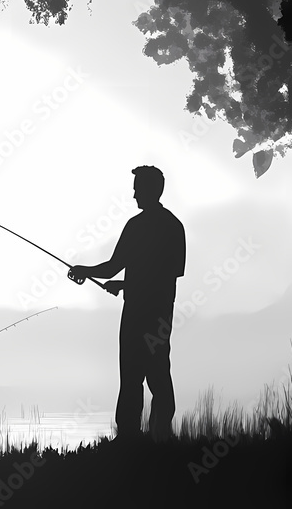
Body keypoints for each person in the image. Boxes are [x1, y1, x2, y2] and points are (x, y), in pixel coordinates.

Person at [68, 165, 185, 443]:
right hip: (160, 315)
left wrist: (86, 270)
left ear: (149, 190)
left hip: (136, 315)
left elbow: (113, 267)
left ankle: (129, 439)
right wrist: (124, 285)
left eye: (137, 188)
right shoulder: (174, 226)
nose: (133, 195)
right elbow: (165, 274)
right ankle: (161, 437)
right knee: (159, 377)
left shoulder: (136, 226)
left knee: (132, 378)